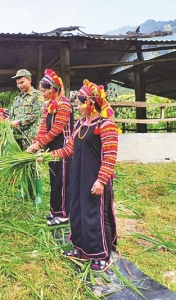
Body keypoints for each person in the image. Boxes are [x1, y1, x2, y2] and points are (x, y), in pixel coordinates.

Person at [51, 79, 119, 272]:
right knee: (78, 211)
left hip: (95, 179)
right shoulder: (81, 124)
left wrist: (101, 180)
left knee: (96, 214)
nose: (78, 107)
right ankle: (81, 249)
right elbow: (69, 149)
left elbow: (110, 156)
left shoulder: (106, 125)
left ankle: (102, 255)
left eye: (80, 103)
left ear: (90, 103)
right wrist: (48, 156)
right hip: (78, 177)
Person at [27, 69, 74, 225]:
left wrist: (40, 144)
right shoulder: (49, 105)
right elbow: (43, 127)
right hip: (53, 146)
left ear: (53, 89)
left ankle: (63, 214)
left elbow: (56, 129)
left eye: (44, 90)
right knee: (54, 178)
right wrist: (36, 143)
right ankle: (55, 211)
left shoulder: (65, 105)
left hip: (65, 147)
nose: (43, 93)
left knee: (62, 180)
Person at [8, 69, 44, 203]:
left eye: (22, 82)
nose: (20, 85)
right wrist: (8, 123)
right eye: (17, 83)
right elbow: (11, 115)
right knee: (23, 164)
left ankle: (38, 195)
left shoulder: (38, 95)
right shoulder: (17, 98)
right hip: (18, 136)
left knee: (34, 163)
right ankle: (25, 192)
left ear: (29, 79)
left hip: (32, 136)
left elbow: (37, 113)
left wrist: (20, 122)